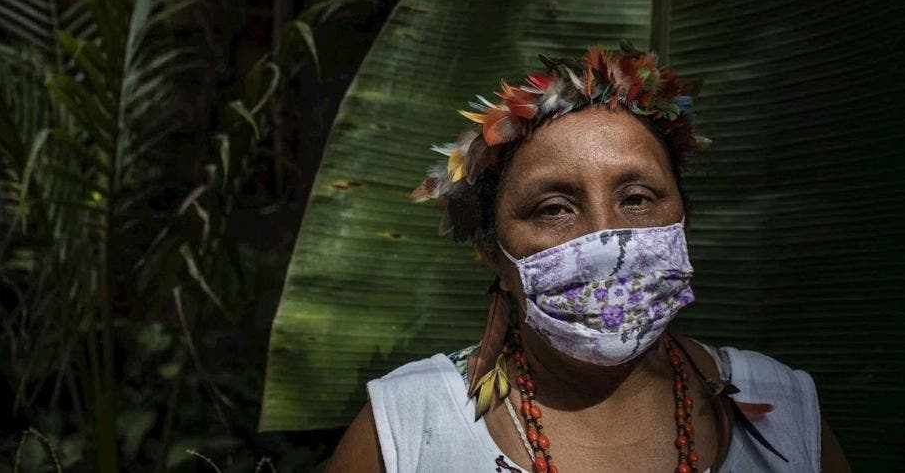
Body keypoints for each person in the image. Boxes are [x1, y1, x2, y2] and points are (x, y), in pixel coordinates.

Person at [326, 44, 850, 472]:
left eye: (637, 199)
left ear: (683, 219)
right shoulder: (405, 429)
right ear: (494, 254)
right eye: (554, 208)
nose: (607, 237)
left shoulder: (784, 409)